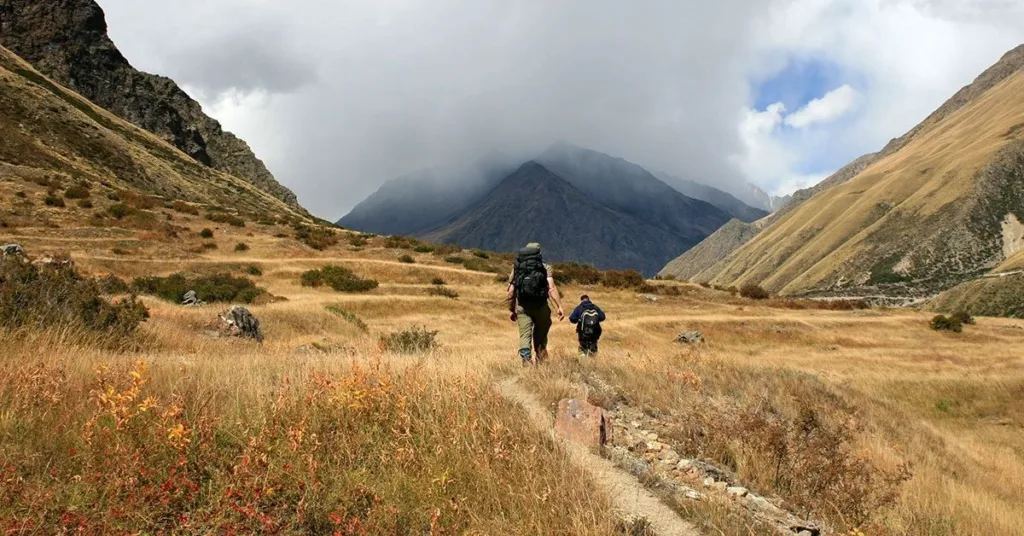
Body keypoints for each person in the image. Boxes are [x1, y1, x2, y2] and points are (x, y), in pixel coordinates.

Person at [507, 243, 565, 365]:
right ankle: (541, 357)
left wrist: (512, 309)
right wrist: (559, 306)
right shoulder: (544, 268)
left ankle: (526, 359)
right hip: (541, 306)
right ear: (538, 253)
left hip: (522, 307)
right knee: (541, 333)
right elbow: (552, 288)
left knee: (524, 335)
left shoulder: (517, 269)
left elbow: (511, 292)